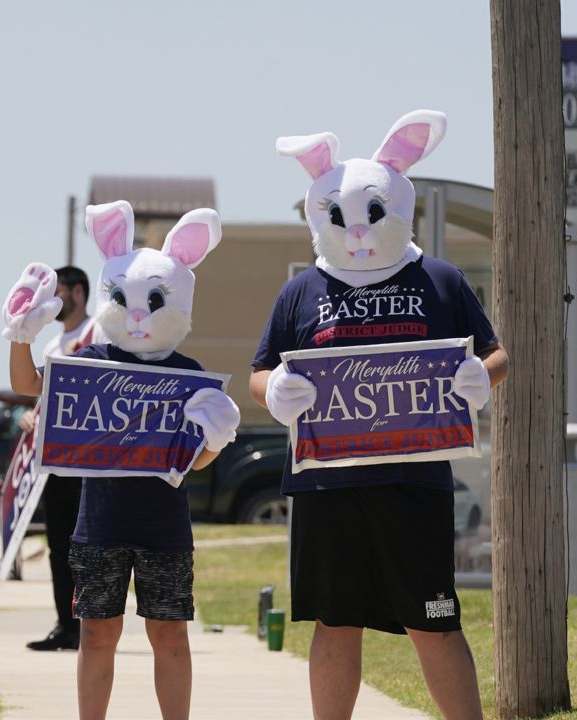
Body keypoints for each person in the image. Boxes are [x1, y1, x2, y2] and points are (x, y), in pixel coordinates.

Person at [254, 111, 507, 720]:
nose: (359, 230)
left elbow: (494, 352)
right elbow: (261, 370)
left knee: (434, 623)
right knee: (335, 624)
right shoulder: (300, 293)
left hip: (413, 482)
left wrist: (481, 377)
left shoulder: (438, 280)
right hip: (326, 485)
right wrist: (275, 390)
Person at [4, 202, 239, 720]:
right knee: (97, 633)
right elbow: (28, 388)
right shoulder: (89, 363)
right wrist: (21, 338)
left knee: (170, 635)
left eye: (154, 300)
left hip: (165, 526)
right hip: (99, 524)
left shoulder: (188, 373)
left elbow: (194, 461)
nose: (139, 314)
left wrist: (218, 439)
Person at [23, 265, 94, 652]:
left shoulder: (93, 331)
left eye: (59, 294)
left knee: (86, 546)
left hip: (87, 460)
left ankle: (89, 623)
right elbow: (41, 392)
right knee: (58, 546)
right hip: (53, 459)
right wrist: (30, 413)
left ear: (78, 292)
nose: (52, 303)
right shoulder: (53, 343)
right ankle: (65, 624)